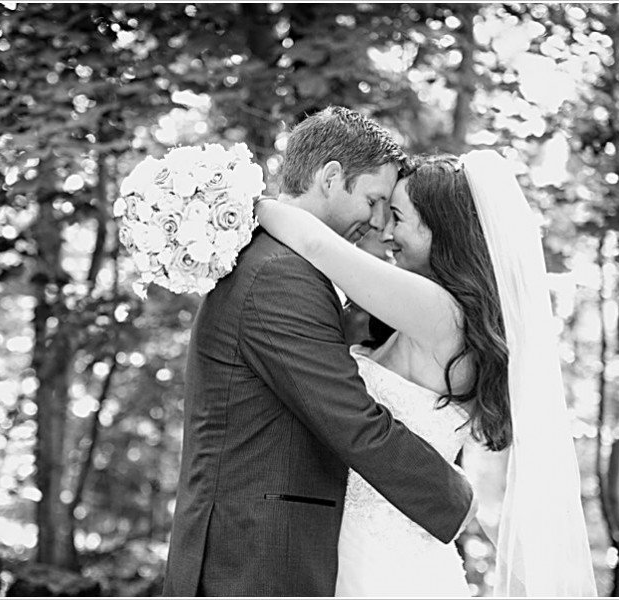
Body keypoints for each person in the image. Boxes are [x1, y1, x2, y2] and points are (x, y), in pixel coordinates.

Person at [163, 107, 476, 597]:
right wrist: (455, 499)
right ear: (331, 178)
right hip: (250, 562)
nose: (377, 225)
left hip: (279, 553)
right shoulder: (279, 273)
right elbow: (350, 420)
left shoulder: (276, 260)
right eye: (375, 201)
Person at [256, 151, 598, 596]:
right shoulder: (443, 317)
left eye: (398, 216)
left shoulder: (440, 313)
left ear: (443, 230)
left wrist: (239, 203)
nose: (386, 231)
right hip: (361, 550)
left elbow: (318, 245)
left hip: (386, 567)